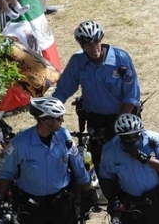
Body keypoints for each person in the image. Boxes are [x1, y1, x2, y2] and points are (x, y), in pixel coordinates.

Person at [52, 20, 142, 167]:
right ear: (81, 45)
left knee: (129, 161)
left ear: (102, 40)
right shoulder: (77, 62)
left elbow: (132, 96)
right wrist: (50, 111)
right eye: (88, 45)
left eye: (96, 43)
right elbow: (63, 91)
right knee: (100, 162)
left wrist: (116, 125)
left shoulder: (121, 58)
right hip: (97, 121)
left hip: (123, 118)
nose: (94, 49)